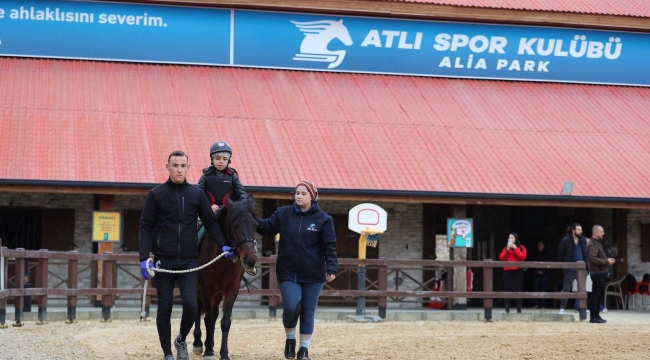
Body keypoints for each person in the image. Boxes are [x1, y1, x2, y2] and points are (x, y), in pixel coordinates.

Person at [139, 150, 231, 360]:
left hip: (189, 261)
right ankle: (167, 353)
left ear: (188, 168)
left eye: (183, 166)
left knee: (191, 305)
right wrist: (144, 257)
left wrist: (224, 245)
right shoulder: (156, 194)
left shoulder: (196, 195)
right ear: (168, 167)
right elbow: (145, 227)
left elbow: (210, 223)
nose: (179, 169)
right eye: (175, 165)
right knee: (165, 307)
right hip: (164, 260)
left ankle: (181, 339)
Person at [256, 180, 338, 360]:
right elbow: (265, 227)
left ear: (312, 196)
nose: (299, 196)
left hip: (314, 274)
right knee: (291, 307)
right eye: (297, 193)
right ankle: (290, 339)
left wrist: (332, 267)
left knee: (308, 310)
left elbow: (329, 246)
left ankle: (304, 349)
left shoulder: (324, 219)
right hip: (288, 272)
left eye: (303, 193)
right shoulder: (283, 214)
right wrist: (247, 214)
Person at [198, 140, 246, 211]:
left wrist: (237, 207)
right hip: (209, 211)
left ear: (228, 161)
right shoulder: (206, 175)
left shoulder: (233, 176)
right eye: (217, 158)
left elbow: (241, 195)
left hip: (229, 212)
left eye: (224, 159)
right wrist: (208, 206)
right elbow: (199, 194)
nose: (221, 161)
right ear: (212, 159)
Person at [556, 223, 588, 315]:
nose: (580, 231)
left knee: (582, 289)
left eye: (581, 230)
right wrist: (564, 266)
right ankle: (562, 308)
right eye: (578, 230)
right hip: (569, 268)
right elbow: (560, 254)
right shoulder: (566, 240)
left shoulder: (583, 240)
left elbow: (585, 253)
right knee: (566, 288)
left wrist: (587, 267)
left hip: (581, 269)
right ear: (573, 230)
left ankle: (581, 308)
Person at [587, 225, 615, 324]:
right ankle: (594, 317)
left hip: (600, 272)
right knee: (596, 294)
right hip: (597, 272)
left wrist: (606, 261)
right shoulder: (593, 244)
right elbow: (593, 259)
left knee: (598, 295)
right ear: (595, 233)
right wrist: (606, 262)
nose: (603, 233)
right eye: (601, 232)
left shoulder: (597, 243)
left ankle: (596, 315)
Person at [499, 233, 527, 313]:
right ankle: (507, 310)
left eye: (512, 237)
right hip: (507, 271)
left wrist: (515, 248)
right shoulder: (505, 248)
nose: (510, 239)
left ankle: (519, 310)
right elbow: (501, 257)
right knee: (507, 290)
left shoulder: (521, 247)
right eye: (509, 237)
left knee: (518, 290)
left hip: (517, 271)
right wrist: (507, 249)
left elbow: (522, 257)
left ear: (516, 239)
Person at [529, 241, 550, 309]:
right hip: (536, 273)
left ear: (544, 245)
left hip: (545, 273)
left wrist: (543, 271)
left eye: (541, 244)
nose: (540, 246)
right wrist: (537, 271)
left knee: (544, 289)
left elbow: (549, 263)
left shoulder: (547, 253)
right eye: (538, 245)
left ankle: (543, 305)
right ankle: (535, 304)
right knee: (535, 288)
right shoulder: (534, 253)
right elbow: (532, 263)